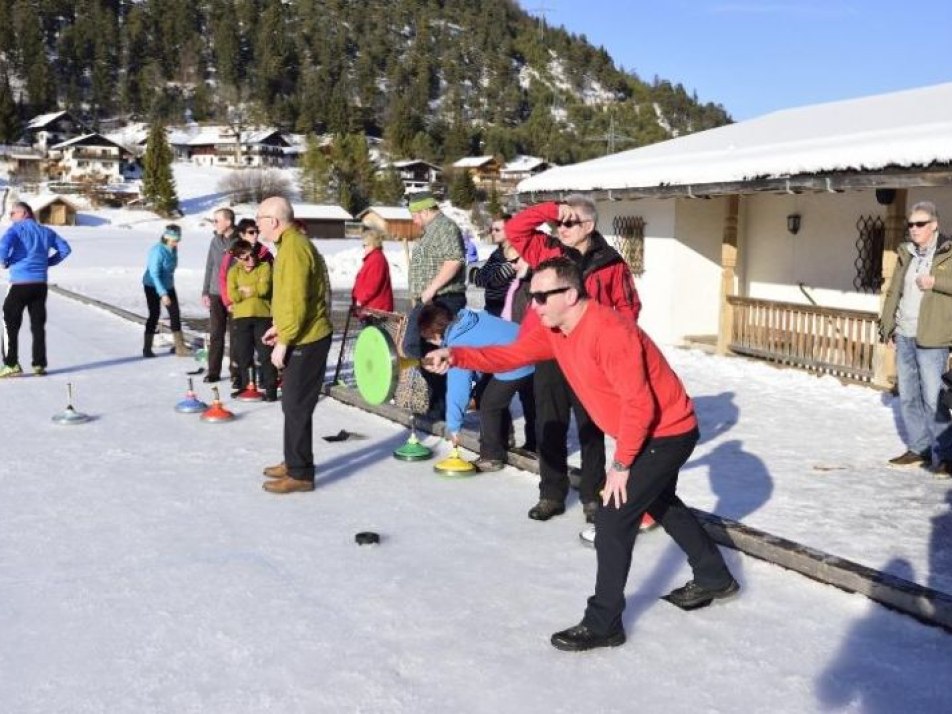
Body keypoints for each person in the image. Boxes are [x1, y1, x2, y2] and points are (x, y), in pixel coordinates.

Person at [423, 258, 738, 651]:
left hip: (666, 431)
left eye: (540, 297)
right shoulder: (558, 330)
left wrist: (621, 465)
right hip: (642, 432)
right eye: (531, 295)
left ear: (570, 294)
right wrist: (458, 357)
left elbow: (639, 404)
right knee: (661, 502)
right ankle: (713, 577)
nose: (532, 305)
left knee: (613, 517)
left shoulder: (609, 331)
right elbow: (514, 354)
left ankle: (604, 622)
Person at [506, 194, 641, 523]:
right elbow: (515, 229)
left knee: (590, 427)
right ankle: (551, 493)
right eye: (557, 222)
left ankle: (592, 496)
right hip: (551, 351)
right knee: (548, 424)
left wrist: (613, 347)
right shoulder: (547, 251)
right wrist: (551, 209)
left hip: (590, 357)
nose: (560, 227)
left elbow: (628, 309)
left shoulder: (611, 264)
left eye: (568, 222)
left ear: (589, 226)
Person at [257, 196, 333, 494]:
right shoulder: (288, 245)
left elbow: (298, 301)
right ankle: (293, 460)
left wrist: (285, 340)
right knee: (292, 404)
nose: (257, 222)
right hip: (300, 332)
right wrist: (279, 327)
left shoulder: (294, 249)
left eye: (260, 217)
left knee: (297, 405)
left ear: (273, 221)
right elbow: (291, 299)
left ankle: (301, 473)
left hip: (309, 337)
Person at [879, 200, 952, 477]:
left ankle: (946, 455)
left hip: (933, 338)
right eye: (910, 224)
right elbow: (894, 291)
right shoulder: (906, 253)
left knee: (934, 399)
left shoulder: (947, 253)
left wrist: (937, 282)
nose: (914, 228)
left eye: (920, 224)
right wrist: (888, 327)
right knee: (908, 396)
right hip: (905, 335)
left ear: (934, 225)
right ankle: (919, 447)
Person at [417, 302, 535, 471]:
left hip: (516, 359)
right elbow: (482, 354)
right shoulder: (469, 319)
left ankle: (492, 456)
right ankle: (523, 443)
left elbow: (458, 389)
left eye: (429, 339)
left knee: (490, 403)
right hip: (532, 347)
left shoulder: (457, 341)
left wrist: (454, 427)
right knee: (497, 395)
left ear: (435, 334)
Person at [402, 190, 467, 418]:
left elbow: (453, 260)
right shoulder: (431, 231)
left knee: (419, 348)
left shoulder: (445, 227)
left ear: (425, 209)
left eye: (415, 215)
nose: (413, 220)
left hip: (443, 299)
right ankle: (438, 406)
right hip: (429, 300)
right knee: (421, 350)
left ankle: (445, 407)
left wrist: (430, 289)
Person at [0, 201, 72, 377]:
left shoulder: (16, 230)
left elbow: (3, 246)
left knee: (9, 322)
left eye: (13, 213)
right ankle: (39, 365)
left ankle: (11, 364)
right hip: (39, 285)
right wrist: (47, 262)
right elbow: (65, 249)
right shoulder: (46, 232)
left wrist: (3, 261)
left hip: (19, 284)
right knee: (37, 325)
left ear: (24, 213)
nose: (11, 217)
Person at [226, 239, 277, 400]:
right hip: (241, 318)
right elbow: (233, 295)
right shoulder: (234, 272)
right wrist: (250, 289)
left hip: (262, 316)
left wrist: (246, 290)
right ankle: (245, 386)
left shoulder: (264, 267)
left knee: (265, 355)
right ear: (237, 259)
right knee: (243, 354)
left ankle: (271, 390)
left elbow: (264, 289)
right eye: (245, 257)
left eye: (253, 255)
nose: (251, 259)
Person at [201, 207, 240, 384]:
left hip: (233, 295)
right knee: (216, 333)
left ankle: (235, 371)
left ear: (228, 222)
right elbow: (209, 267)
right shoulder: (214, 241)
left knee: (235, 334)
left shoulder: (240, 242)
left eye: (217, 220)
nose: (214, 224)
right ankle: (213, 371)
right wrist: (205, 291)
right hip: (216, 294)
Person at [141, 224, 190, 358]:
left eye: (178, 240)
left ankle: (180, 347)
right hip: (152, 285)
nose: (176, 243)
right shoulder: (157, 251)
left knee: (175, 313)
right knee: (154, 314)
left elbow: (170, 270)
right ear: (167, 238)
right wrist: (162, 293)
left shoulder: (173, 249)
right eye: (174, 240)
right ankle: (147, 348)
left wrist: (168, 288)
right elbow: (154, 273)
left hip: (168, 284)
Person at [469, 214, 516, 317]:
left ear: (510, 230)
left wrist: (483, 277)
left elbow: (495, 280)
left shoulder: (515, 255)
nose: (493, 233)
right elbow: (477, 279)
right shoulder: (496, 253)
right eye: (492, 229)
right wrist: (479, 276)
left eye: (497, 230)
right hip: (490, 306)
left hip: (507, 308)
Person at [352, 227, 394, 316]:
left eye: (365, 245)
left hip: (375, 311)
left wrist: (360, 300)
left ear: (373, 244)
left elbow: (372, 285)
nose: (364, 248)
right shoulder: (372, 258)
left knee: (371, 330)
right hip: (370, 309)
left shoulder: (376, 260)